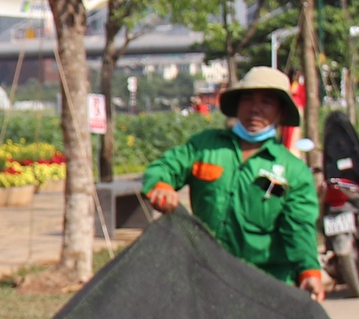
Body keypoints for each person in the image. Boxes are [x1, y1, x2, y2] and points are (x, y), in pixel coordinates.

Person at [141, 66, 329, 298]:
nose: (255, 109)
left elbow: (299, 227)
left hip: (265, 285)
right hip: (206, 277)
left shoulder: (294, 171)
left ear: (280, 112)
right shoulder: (205, 146)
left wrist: (309, 271)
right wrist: (161, 186)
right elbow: (163, 168)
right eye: (247, 99)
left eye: (267, 102)